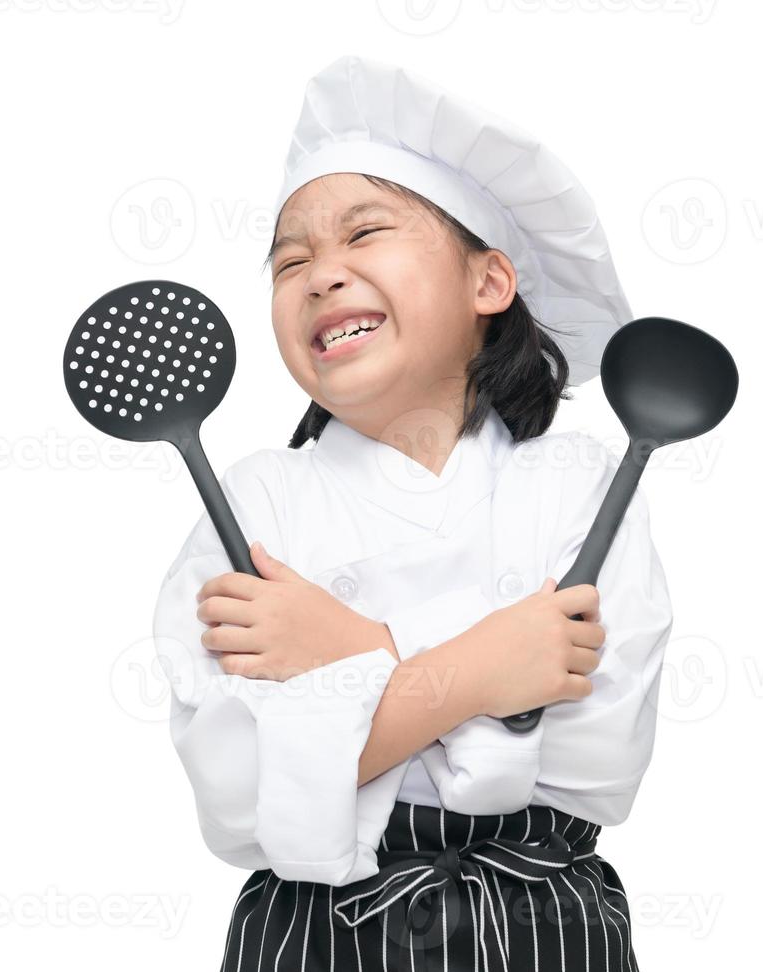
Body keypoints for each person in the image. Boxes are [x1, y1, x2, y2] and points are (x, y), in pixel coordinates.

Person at [150, 55, 673, 970]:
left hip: (551, 931)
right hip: (314, 938)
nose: (320, 276)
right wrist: (488, 668)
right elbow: (238, 796)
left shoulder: (582, 483)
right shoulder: (255, 503)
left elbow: (598, 765)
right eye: (291, 261)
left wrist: (342, 653)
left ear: (489, 283)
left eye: (365, 235)